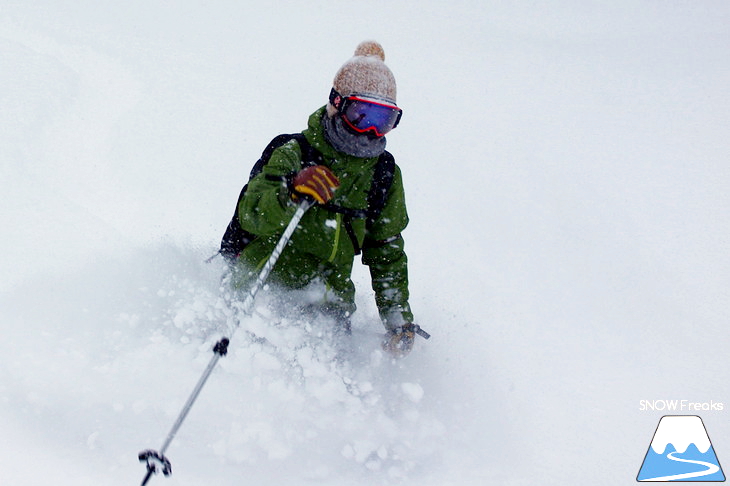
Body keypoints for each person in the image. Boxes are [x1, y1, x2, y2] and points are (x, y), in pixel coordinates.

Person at [229, 40, 420, 357]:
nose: (370, 131)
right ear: (337, 104)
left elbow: (387, 251)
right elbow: (252, 213)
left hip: (327, 311)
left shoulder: (383, 174)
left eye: (384, 119)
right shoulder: (294, 152)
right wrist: (289, 192)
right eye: (362, 114)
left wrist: (398, 320)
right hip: (258, 293)